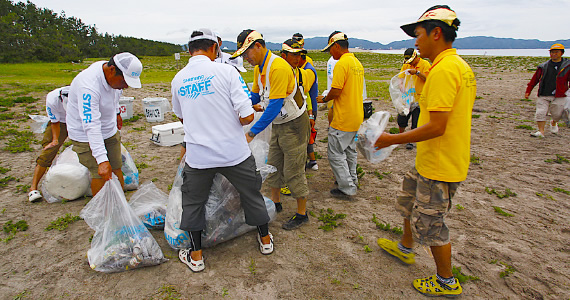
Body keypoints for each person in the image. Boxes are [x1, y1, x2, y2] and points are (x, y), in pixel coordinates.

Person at [374, 5, 476, 297]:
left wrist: (393, 138)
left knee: (431, 223)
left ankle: (446, 281)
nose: (415, 42)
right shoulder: (455, 66)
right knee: (408, 201)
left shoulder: (445, 70)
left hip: (440, 163)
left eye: (418, 35)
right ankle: (406, 248)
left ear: (436, 33)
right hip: (431, 157)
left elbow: (438, 126)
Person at [172, 28, 273, 273]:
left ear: (189, 51)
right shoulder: (227, 71)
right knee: (251, 193)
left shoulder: (178, 79)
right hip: (234, 152)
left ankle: (196, 256)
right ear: (215, 48)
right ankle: (265, 240)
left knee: (193, 202)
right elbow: (247, 114)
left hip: (199, 157)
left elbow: (182, 117)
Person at [232, 30, 311, 230]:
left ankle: (302, 213)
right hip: (278, 122)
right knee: (274, 162)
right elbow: (256, 97)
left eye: (246, 53)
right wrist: (238, 107)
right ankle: (276, 202)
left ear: (258, 46)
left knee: (293, 167)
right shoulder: (259, 68)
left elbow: (274, 105)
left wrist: (252, 132)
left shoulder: (278, 67)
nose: (245, 58)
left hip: (294, 122)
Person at [66, 52, 142, 196]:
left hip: (109, 129)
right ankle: (102, 213)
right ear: (112, 70)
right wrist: (101, 160)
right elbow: (91, 124)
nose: (125, 86)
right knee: (99, 173)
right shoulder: (88, 86)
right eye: (124, 81)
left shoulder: (113, 77)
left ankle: (119, 207)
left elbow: (115, 96)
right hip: (85, 135)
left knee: (116, 168)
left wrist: (117, 113)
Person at [317, 31, 364, 197]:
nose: (330, 53)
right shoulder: (356, 62)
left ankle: (346, 187)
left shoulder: (342, 64)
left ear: (336, 46)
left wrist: (324, 99)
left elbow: (336, 90)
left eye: (330, 49)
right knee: (350, 150)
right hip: (356, 114)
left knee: (335, 153)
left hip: (343, 116)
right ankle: (353, 179)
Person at [28, 86, 70, 202]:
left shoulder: (82, 94)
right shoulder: (52, 99)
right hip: (60, 122)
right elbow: (54, 122)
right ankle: (33, 188)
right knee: (48, 152)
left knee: (88, 149)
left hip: (78, 120)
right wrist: (55, 140)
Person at [525, 43, 570, 137]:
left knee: (557, 114)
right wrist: (528, 90)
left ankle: (554, 122)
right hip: (544, 93)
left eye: (556, 52)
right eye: (552, 52)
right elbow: (535, 79)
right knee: (540, 112)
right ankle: (541, 131)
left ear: (561, 53)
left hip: (560, 94)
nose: (554, 54)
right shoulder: (543, 66)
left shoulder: (567, 67)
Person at [398, 48, 431, 150]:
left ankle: (411, 141)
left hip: (420, 98)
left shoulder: (425, 65)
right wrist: (401, 85)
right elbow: (401, 77)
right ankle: (401, 137)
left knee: (416, 121)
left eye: (411, 61)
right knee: (401, 119)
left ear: (416, 57)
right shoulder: (406, 65)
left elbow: (428, 78)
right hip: (407, 97)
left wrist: (417, 72)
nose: (410, 63)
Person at [299, 48, 319, 171]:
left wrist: (310, 114)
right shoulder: (305, 69)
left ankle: (312, 161)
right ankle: (310, 161)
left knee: (307, 138)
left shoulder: (308, 71)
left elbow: (305, 92)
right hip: (308, 108)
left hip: (309, 109)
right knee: (307, 138)